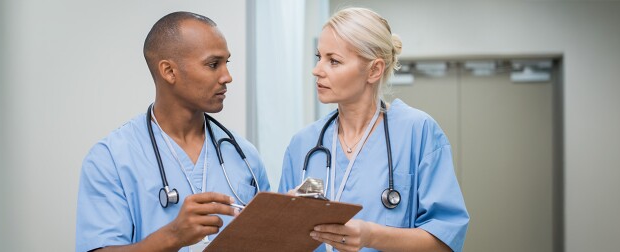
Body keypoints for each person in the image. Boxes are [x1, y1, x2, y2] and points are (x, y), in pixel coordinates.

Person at [75, 11, 270, 252]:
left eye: (226, 63)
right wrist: (173, 236)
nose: (227, 77)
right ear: (169, 71)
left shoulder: (244, 156)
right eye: (213, 64)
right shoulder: (111, 159)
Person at [278, 7, 468, 252]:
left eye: (333, 61)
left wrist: (371, 236)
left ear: (374, 70)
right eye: (319, 57)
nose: (317, 70)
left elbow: (445, 242)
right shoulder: (303, 145)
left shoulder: (417, 132)